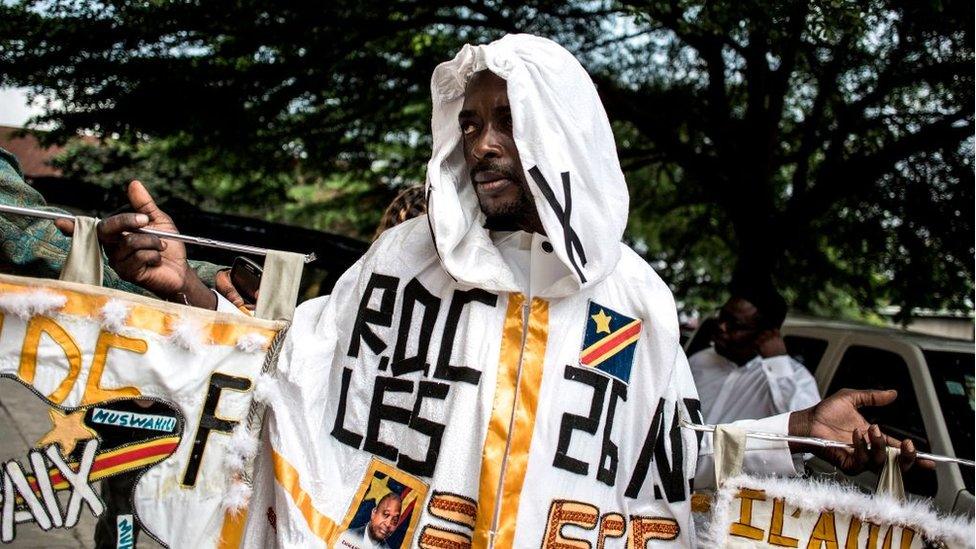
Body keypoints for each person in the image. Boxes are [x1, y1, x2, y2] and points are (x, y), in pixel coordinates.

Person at [89, 35, 927, 547]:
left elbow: (665, 469)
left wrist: (797, 432)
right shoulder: (404, 265)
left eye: (506, 120)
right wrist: (189, 286)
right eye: (469, 122)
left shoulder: (636, 303)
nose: (482, 144)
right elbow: (288, 374)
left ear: (560, 133)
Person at [688, 277, 820, 425]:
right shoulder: (699, 360)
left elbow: (803, 428)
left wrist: (777, 362)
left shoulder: (796, 377)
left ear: (767, 333)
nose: (722, 326)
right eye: (722, 316)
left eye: (734, 324)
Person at [335, 493, 402, 549]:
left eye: (394, 520)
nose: (388, 524)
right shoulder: (347, 535)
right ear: (374, 512)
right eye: (385, 514)